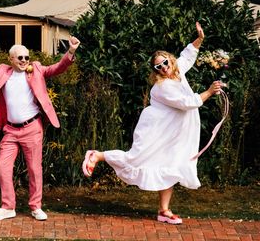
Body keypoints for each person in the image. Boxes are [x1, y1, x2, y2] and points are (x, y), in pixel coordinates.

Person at [81, 21, 223, 225]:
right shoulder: (162, 86)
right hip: (156, 131)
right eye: (159, 66)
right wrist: (209, 92)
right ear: (155, 70)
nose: (164, 67)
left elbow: (187, 56)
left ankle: (164, 211)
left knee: (171, 165)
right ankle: (97, 155)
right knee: (135, 159)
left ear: (170, 60)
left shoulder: (177, 72)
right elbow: (187, 103)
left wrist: (199, 39)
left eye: (165, 62)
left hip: (173, 132)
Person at [0, 37, 80, 221]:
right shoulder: (2, 71)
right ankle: (8, 207)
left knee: (34, 169)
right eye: (20, 57)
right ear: (11, 59)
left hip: (32, 128)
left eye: (26, 57)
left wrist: (70, 52)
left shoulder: (35, 69)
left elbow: (56, 68)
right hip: (11, 131)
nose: (24, 61)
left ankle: (36, 207)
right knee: (2, 166)